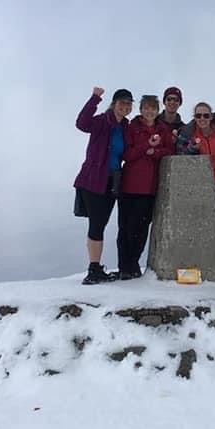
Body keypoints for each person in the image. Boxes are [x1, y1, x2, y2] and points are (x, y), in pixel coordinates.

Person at [73, 87, 133, 284]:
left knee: (102, 223)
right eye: (121, 103)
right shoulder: (101, 121)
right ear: (113, 104)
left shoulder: (126, 126)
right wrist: (95, 98)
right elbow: (81, 123)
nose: (125, 106)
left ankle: (96, 268)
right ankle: (93, 269)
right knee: (97, 224)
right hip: (93, 180)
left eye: (128, 104)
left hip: (112, 181)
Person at [178, 102, 215, 281]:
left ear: (211, 116)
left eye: (206, 115)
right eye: (198, 116)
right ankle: (192, 274)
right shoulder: (189, 135)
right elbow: (180, 154)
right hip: (201, 186)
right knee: (197, 229)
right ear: (194, 118)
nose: (202, 119)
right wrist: (191, 150)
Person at [116, 95, 174, 279]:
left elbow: (170, 151)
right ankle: (125, 267)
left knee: (141, 228)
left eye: (153, 108)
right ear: (141, 109)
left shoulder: (163, 129)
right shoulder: (133, 128)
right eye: (146, 108)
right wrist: (146, 146)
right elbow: (127, 154)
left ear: (158, 111)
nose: (149, 112)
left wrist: (155, 152)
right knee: (126, 227)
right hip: (129, 186)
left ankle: (133, 264)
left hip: (150, 188)